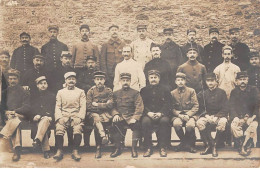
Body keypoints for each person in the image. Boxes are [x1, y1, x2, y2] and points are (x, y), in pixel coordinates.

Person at [53, 72, 86, 161]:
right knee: (59, 128)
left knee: (78, 128)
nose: (71, 81)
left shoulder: (80, 92)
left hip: (76, 116)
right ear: (65, 81)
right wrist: (59, 118)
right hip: (64, 116)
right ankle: (59, 150)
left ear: (76, 81)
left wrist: (79, 118)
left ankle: (75, 150)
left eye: (73, 79)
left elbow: (83, 106)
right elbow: (58, 106)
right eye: (69, 79)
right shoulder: (60, 92)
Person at [110, 73, 144, 158]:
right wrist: (115, 114)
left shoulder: (135, 93)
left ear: (130, 81)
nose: (125, 82)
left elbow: (139, 106)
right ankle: (118, 148)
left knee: (137, 125)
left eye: (127, 80)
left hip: (131, 117)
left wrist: (135, 118)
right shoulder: (115, 93)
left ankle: (134, 149)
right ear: (120, 81)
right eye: (123, 80)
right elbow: (112, 106)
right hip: (120, 116)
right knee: (114, 124)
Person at [140, 70, 172, 157]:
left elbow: (168, 104)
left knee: (164, 121)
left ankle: (162, 147)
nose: (153, 79)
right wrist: (148, 113)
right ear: (148, 79)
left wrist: (161, 113)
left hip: (161, 114)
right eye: (151, 77)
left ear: (159, 79)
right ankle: (148, 147)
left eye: (155, 77)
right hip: (148, 114)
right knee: (145, 122)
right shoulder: (143, 90)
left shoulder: (165, 89)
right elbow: (141, 104)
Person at [0, 69, 30, 161]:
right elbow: (2, 107)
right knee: (15, 123)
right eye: (10, 79)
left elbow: (27, 107)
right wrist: (6, 113)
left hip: (21, 116)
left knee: (15, 119)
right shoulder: (4, 92)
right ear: (8, 80)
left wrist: (14, 112)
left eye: (14, 79)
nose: (12, 81)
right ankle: (17, 149)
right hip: (9, 117)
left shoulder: (23, 91)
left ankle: (4, 134)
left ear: (18, 80)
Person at [196, 73, 229, 157]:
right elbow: (200, 108)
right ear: (206, 82)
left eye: (212, 81)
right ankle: (208, 145)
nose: (210, 83)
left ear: (216, 81)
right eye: (208, 81)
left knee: (223, 122)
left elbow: (225, 108)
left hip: (219, 116)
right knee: (200, 123)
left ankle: (214, 145)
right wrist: (206, 115)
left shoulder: (222, 92)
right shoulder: (202, 94)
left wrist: (217, 116)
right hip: (207, 116)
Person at [230, 71, 259, 156]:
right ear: (236, 81)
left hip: (251, 116)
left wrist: (252, 117)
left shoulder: (254, 90)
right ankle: (242, 144)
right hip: (239, 117)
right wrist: (236, 117)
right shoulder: (234, 91)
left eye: (244, 79)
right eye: (240, 79)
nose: (242, 81)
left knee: (253, 126)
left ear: (247, 80)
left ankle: (245, 145)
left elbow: (258, 105)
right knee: (233, 125)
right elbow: (231, 106)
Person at [86, 71, 113, 158]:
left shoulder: (108, 91)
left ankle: (100, 147)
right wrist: (105, 105)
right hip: (92, 114)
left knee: (100, 120)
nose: (99, 81)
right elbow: (89, 106)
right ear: (94, 80)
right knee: (96, 118)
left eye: (101, 79)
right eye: (97, 79)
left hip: (105, 114)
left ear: (104, 80)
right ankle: (100, 144)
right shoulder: (91, 91)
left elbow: (111, 105)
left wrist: (98, 104)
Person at [171, 72, 199, 153]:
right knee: (176, 124)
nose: (180, 82)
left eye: (182, 80)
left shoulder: (191, 91)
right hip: (178, 115)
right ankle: (186, 143)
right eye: (178, 80)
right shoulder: (172, 93)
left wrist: (187, 115)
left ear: (185, 81)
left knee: (190, 125)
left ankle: (186, 144)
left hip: (190, 115)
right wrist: (179, 115)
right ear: (175, 82)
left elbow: (196, 106)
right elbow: (171, 108)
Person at [30, 76, 55, 159]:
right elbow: (30, 108)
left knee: (45, 120)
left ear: (47, 85)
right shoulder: (33, 96)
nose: (43, 85)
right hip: (36, 120)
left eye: (45, 83)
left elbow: (53, 109)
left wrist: (50, 116)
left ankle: (37, 140)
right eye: (41, 84)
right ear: (37, 85)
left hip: (48, 119)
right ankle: (45, 150)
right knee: (43, 124)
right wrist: (34, 116)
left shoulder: (52, 96)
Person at [77, 55, 98, 147]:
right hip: (85, 99)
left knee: (95, 120)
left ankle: (99, 143)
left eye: (92, 63)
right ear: (86, 63)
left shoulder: (99, 74)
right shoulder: (82, 74)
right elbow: (79, 84)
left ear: (95, 64)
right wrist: (89, 87)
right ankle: (86, 143)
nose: (90, 64)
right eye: (89, 63)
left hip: (97, 99)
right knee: (86, 121)